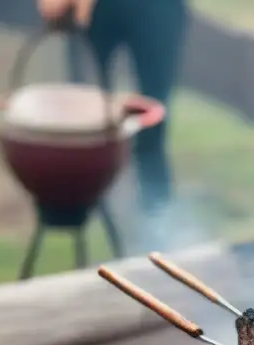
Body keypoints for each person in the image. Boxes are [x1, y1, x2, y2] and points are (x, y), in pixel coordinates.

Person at [37, 0, 186, 217]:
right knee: (84, 114)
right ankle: (79, 207)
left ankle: (158, 215)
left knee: (154, 116)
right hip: (96, 7)